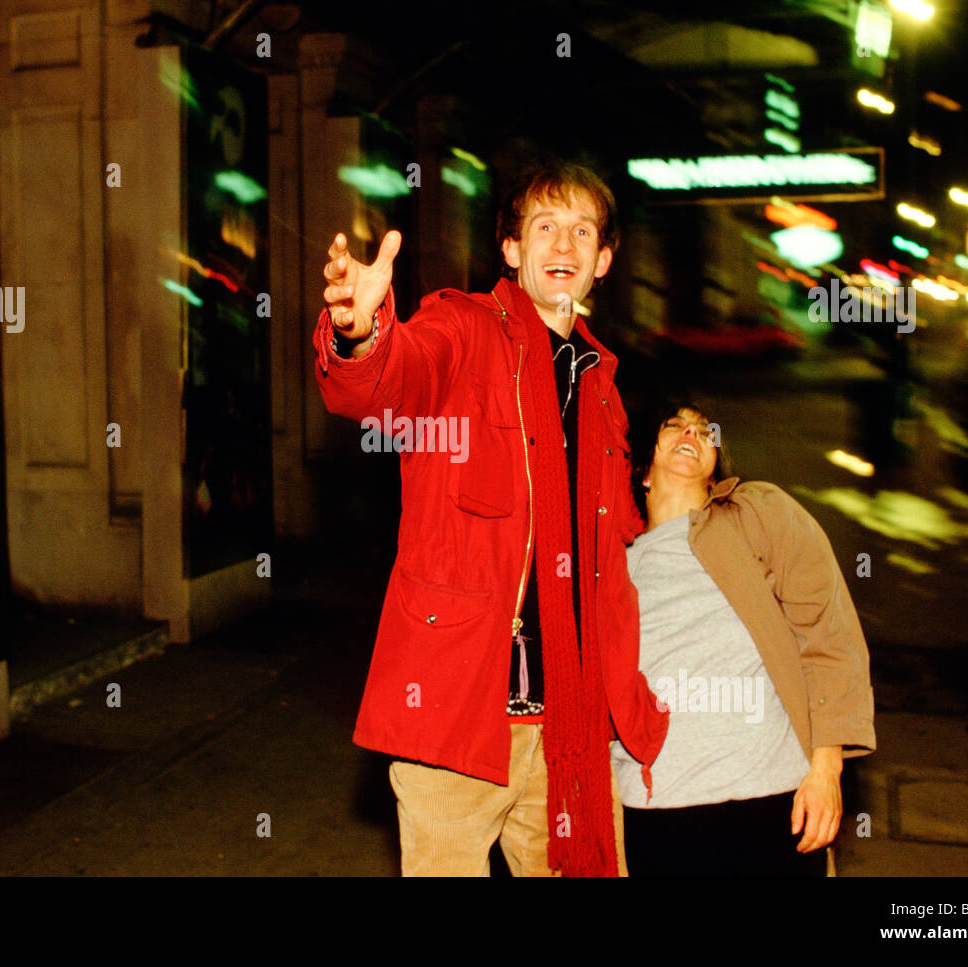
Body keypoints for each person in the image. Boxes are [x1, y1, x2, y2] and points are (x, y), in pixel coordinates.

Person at [315, 162, 667, 876]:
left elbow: (617, 560)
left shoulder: (604, 390)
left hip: (568, 722)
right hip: (459, 713)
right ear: (511, 249)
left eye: (581, 230)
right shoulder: (464, 328)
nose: (561, 243)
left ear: (602, 260)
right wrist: (361, 334)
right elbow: (392, 383)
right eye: (544, 226)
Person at [611, 402, 876, 875]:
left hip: (771, 796)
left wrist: (827, 767)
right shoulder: (610, 562)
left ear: (714, 474)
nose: (691, 432)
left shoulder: (758, 515)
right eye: (674, 425)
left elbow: (827, 631)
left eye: (704, 431)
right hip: (658, 809)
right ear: (642, 472)